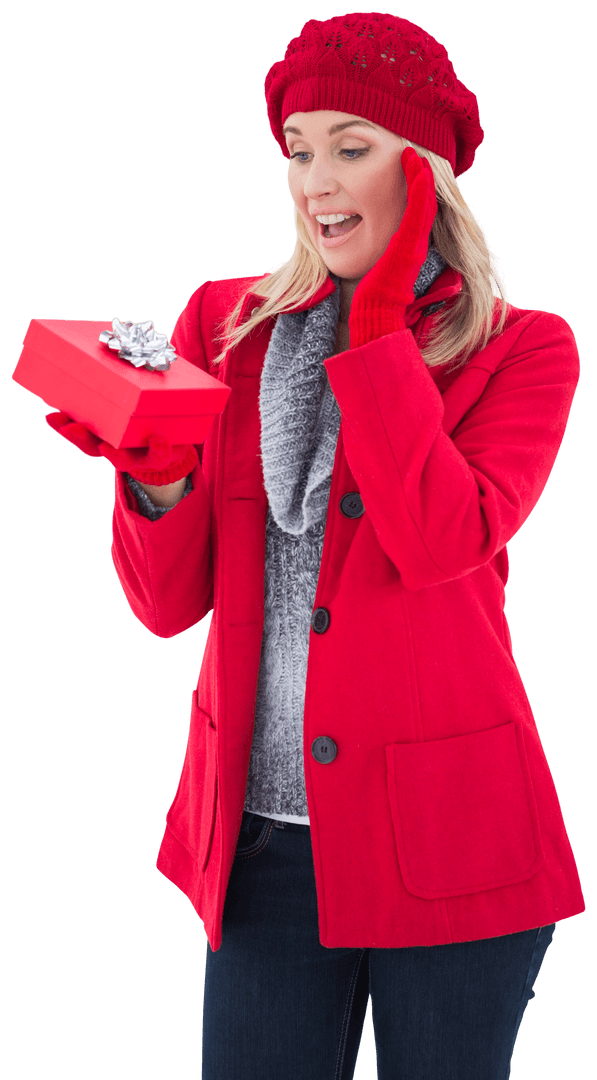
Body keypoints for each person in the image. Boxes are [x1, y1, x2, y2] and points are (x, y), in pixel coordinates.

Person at [46, 11, 586, 1079]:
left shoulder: (523, 348)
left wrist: (379, 327)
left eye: (352, 147)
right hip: (261, 847)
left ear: (422, 171)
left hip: (452, 844)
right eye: (299, 150)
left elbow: (442, 540)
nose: (316, 181)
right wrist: (152, 473)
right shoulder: (225, 324)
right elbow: (167, 606)